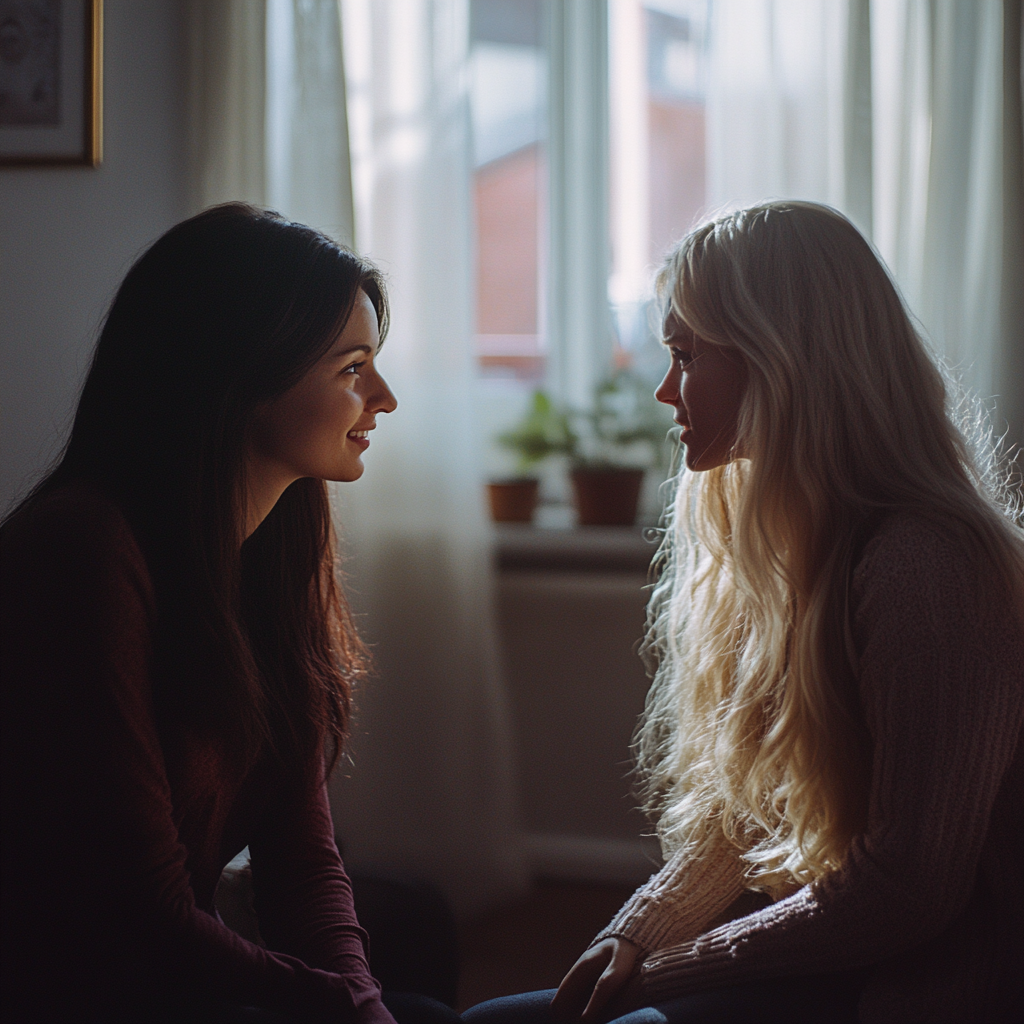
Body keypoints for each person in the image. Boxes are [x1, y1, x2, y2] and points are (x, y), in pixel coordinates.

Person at [463, 201, 1024, 1024]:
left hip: (928, 987)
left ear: (782, 359)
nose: (663, 390)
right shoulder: (790, 546)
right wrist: (638, 933)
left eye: (685, 356)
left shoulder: (925, 568)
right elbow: (744, 811)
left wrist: (662, 976)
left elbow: (910, 888)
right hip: (846, 960)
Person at [0, 204, 461, 1023]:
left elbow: (303, 859)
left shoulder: (275, 557)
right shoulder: (83, 548)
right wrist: (347, 1011)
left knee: (416, 978)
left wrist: (359, 1002)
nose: (383, 397)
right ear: (244, 375)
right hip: (80, 991)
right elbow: (136, 918)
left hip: (164, 979)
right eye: (354, 367)